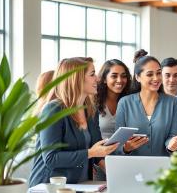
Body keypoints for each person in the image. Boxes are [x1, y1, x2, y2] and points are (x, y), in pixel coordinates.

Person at [29, 57, 119, 187]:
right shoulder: (53, 110)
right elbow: (51, 159)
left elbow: (98, 151)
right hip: (50, 186)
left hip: (80, 185)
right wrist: (91, 153)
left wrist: (116, 172)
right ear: (77, 78)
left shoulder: (90, 111)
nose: (98, 79)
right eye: (92, 74)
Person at [115, 49, 177, 156]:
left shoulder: (173, 103)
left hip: (163, 167)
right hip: (132, 167)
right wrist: (126, 148)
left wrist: (171, 145)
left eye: (159, 73)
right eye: (150, 74)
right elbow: (118, 143)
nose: (156, 78)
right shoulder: (124, 103)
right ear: (137, 77)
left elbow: (173, 136)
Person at [96, 59, 132, 139]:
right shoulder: (94, 101)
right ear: (104, 79)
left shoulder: (130, 101)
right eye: (114, 76)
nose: (119, 80)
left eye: (123, 76)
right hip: (100, 149)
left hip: (125, 150)